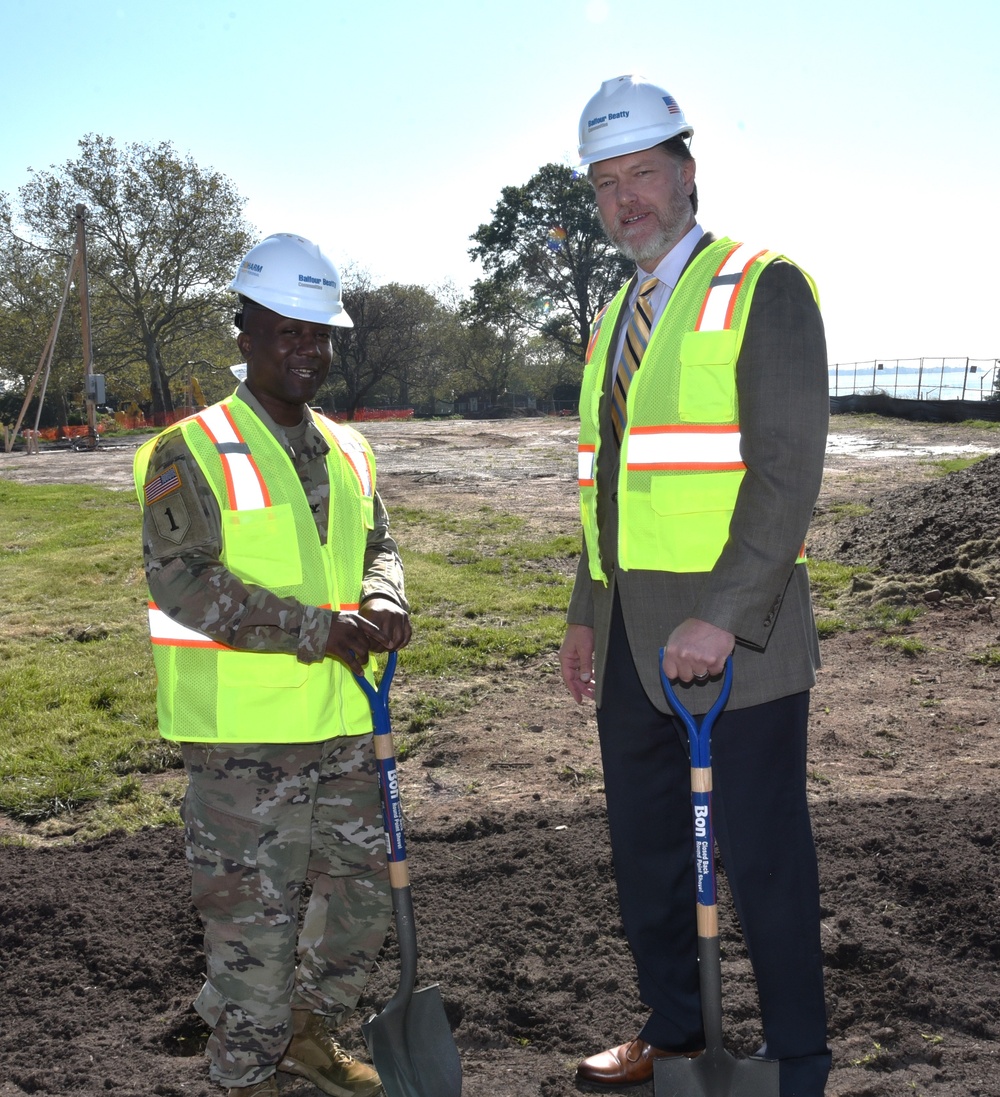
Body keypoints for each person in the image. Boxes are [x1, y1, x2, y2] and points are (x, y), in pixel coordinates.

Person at [559, 76, 831, 1096]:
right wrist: (585, 614)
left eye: (642, 174)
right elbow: (607, 488)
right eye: (606, 183)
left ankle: (796, 1058)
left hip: (736, 647)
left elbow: (785, 472)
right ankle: (674, 1031)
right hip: (630, 640)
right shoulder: (613, 317)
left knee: (762, 861)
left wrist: (720, 617)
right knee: (648, 854)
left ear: (686, 172)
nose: (626, 200)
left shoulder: (763, 285)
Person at [134, 232, 411, 1097]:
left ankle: (310, 1035)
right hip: (242, 749)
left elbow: (380, 545)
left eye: (319, 331)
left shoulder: (351, 448)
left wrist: (386, 596)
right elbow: (186, 584)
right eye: (286, 328)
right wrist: (315, 631)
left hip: (342, 729)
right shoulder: (190, 449)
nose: (307, 348)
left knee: (359, 909)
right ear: (245, 331)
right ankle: (242, 1072)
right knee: (253, 945)